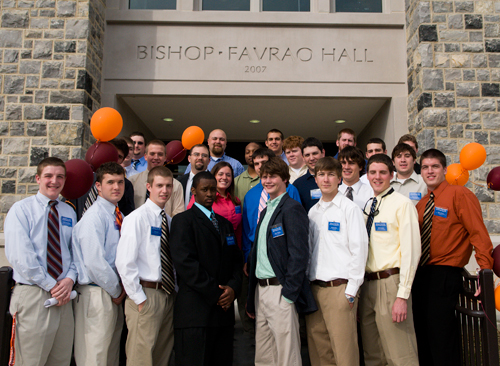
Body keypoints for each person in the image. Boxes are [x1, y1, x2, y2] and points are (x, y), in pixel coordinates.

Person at [412, 149, 494, 366]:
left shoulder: (460, 195)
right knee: (423, 335)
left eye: (435, 167)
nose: (430, 171)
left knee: (442, 337)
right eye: (425, 167)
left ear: (445, 170)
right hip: (421, 275)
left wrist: (484, 272)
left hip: (445, 274)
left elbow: (478, 234)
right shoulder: (421, 204)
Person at [5, 157, 77, 366]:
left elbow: (74, 253)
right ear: (38, 178)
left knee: (60, 360)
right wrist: (52, 285)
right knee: (30, 361)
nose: (54, 181)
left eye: (60, 177)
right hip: (34, 294)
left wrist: (70, 279)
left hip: (64, 297)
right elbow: (21, 257)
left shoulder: (68, 212)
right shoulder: (21, 210)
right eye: (48, 176)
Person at [246, 157, 316, 366]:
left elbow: (299, 254)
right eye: (264, 177)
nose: (268, 181)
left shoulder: (292, 208)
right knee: (264, 355)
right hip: (261, 290)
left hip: (281, 291)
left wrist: (289, 294)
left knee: (287, 356)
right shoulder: (267, 210)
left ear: (285, 179)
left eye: (273, 176)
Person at [170, 171, 243, 366]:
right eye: (205, 190)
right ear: (194, 191)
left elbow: (237, 261)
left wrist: (233, 288)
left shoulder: (225, 225)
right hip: (196, 313)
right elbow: (185, 263)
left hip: (223, 315)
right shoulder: (183, 221)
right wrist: (216, 293)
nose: (210, 194)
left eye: (213, 190)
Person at [306, 157, 368, 366]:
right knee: (320, 352)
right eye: (321, 174)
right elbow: (310, 250)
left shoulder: (349, 209)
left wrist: (351, 290)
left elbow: (359, 250)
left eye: (331, 174)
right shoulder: (313, 212)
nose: (326, 179)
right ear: (315, 179)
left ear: (339, 178)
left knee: (344, 352)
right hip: (316, 289)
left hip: (340, 290)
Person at [359, 154, 420, 366]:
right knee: (373, 353)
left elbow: (411, 252)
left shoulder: (402, 205)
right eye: (373, 172)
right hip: (367, 285)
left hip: (390, 284)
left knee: (399, 353)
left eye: (383, 172)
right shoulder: (369, 205)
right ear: (367, 175)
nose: (377, 177)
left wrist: (402, 296)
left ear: (391, 175)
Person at [115, 166, 177, 366]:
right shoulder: (136, 218)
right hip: (146, 294)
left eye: (168, 186)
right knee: (140, 357)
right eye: (159, 185)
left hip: (167, 294)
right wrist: (138, 297)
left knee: (162, 355)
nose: (164, 190)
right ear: (149, 186)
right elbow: (125, 262)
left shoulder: (168, 220)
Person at [72, 162, 127, 366]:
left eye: (120, 182)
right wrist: (116, 290)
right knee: (94, 357)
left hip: (113, 294)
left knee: (110, 356)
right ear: (98, 186)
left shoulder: (116, 214)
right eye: (110, 182)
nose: (116, 187)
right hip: (97, 294)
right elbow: (95, 262)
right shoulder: (93, 217)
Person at [242, 148, 301, 266]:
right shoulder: (250, 195)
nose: (259, 167)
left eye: (263, 163)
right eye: (256, 164)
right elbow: (246, 229)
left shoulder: (289, 189)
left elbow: (297, 226)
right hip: (256, 251)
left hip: (282, 250)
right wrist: (247, 256)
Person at [187, 162, 242, 248]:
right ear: (213, 177)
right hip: (208, 247)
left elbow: (239, 230)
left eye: (228, 175)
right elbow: (191, 223)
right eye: (220, 174)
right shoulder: (201, 198)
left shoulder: (236, 201)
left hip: (231, 249)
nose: (224, 177)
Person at [129, 139, 184, 217]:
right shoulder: (132, 181)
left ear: (165, 157)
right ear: (145, 156)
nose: (156, 157)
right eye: (152, 154)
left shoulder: (176, 185)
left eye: (160, 154)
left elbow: (178, 214)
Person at [293, 137, 325, 213]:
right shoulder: (298, 184)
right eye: (307, 155)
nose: (311, 158)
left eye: (315, 153)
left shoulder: (336, 179)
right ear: (303, 157)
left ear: (323, 153)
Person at [177, 144, 210, 209]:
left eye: (204, 155)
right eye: (196, 154)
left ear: (209, 161)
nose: (200, 158)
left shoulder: (215, 182)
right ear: (189, 158)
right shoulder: (178, 182)